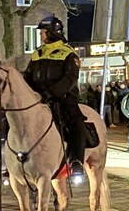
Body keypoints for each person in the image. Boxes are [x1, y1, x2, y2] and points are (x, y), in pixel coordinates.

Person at [23, 15, 99, 181]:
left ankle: (76, 161)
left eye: (43, 32)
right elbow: (28, 77)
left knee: (76, 123)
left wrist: (51, 93)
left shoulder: (68, 54)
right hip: (38, 100)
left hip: (62, 98)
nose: (41, 35)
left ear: (52, 33)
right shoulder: (37, 54)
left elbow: (70, 78)